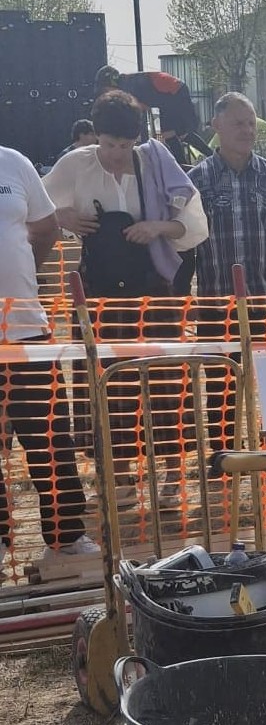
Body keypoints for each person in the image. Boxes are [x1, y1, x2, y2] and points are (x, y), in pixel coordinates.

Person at [44, 90, 207, 509]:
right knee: (109, 388)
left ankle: (172, 477)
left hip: (154, 289)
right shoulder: (74, 166)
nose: (118, 153)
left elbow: (191, 227)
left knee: (166, 384)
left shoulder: (155, 161)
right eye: (111, 145)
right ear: (96, 136)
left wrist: (156, 227)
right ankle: (119, 481)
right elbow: (36, 210)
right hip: (99, 294)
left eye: (125, 145)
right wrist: (63, 217)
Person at [187, 94, 266, 449]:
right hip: (218, 306)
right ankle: (224, 455)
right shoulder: (197, 181)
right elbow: (186, 248)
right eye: (236, 123)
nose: (245, 130)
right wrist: (182, 298)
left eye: (249, 122)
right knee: (221, 387)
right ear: (217, 127)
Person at [0, 143, 96, 574]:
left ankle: (66, 536)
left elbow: (44, 229)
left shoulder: (14, 162)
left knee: (50, 438)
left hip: (26, 332)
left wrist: (22, 277)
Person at [94, 65, 211, 162]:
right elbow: (144, 109)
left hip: (174, 92)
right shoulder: (128, 83)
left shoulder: (127, 88)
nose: (106, 94)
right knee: (170, 133)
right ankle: (183, 164)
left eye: (106, 90)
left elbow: (137, 113)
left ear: (112, 84)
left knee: (180, 132)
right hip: (168, 95)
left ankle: (208, 157)